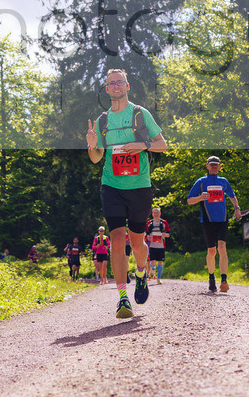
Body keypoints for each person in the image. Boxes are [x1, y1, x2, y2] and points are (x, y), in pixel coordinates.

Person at [86, 69, 168, 318]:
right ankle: (123, 298)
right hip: (111, 186)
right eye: (111, 83)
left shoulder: (140, 114)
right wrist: (92, 145)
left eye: (120, 82)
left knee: (137, 242)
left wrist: (141, 145)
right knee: (118, 239)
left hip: (139, 187)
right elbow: (95, 158)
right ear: (107, 89)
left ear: (127, 86)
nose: (116, 86)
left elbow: (162, 145)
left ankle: (141, 272)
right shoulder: (102, 121)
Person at [186, 157, 241, 293]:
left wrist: (237, 208)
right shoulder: (201, 182)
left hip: (222, 219)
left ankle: (224, 280)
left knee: (222, 247)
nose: (214, 167)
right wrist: (200, 197)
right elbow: (189, 200)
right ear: (207, 166)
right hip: (208, 221)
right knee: (212, 251)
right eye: (212, 165)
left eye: (216, 165)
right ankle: (211, 278)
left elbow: (231, 195)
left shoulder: (224, 181)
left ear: (220, 167)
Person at [145, 207, 171, 283]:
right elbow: (146, 233)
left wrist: (165, 235)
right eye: (154, 213)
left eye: (157, 212)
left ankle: (158, 278)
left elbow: (169, 233)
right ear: (152, 214)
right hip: (152, 245)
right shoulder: (149, 223)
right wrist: (148, 236)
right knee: (153, 262)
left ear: (160, 214)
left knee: (160, 262)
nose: (156, 214)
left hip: (161, 245)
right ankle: (152, 269)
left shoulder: (164, 222)